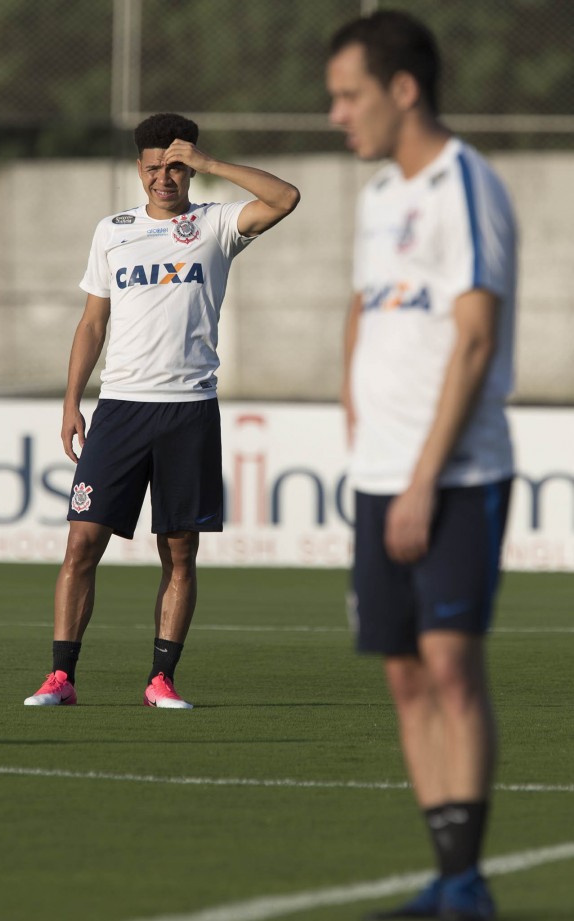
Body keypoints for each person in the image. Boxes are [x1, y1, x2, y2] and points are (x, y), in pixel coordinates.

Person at [327, 11, 516, 921]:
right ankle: (444, 875)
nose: (336, 115)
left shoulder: (463, 186)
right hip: (377, 474)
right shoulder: (377, 199)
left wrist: (421, 476)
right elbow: (366, 302)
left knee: (450, 665)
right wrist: (351, 393)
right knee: (403, 673)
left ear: (403, 91)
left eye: (348, 95)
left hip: (455, 477)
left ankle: (467, 880)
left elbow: (474, 343)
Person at [24, 112, 300, 710]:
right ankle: (61, 678)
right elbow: (92, 320)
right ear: (139, 169)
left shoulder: (217, 223)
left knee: (179, 552)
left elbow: (286, 196)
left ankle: (161, 681)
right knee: (80, 544)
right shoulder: (112, 231)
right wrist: (72, 402)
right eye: (154, 166)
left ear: (190, 165)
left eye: (175, 165)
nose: (164, 177)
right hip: (120, 409)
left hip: (189, 410)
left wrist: (208, 164)